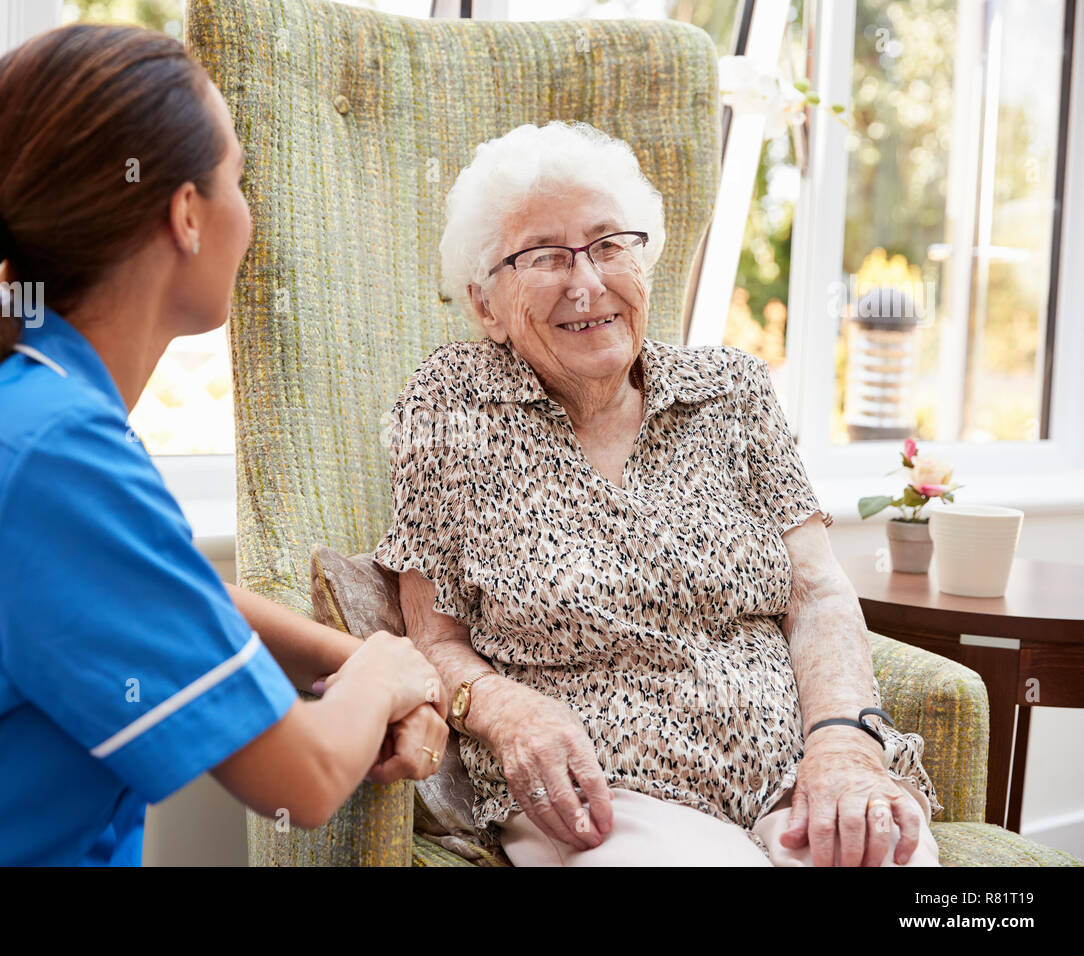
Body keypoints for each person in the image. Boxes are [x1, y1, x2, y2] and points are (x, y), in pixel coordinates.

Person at [0, 23, 447, 866]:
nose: (251, 213)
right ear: (186, 215)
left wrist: (348, 656)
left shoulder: (12, 404)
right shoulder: (59, 458)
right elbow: (306, 779)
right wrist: (388, 673)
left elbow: (149, 583)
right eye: (239, 179)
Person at [374, 120, 942, 866]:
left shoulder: (731, 391)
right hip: (608, 792)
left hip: (794, 773)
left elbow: (820, 597)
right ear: (486, 305)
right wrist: (506, 709)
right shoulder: (451, 406)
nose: (588, 282)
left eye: (610, 245)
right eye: (545, 257)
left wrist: (841, 743)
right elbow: (434, 638)